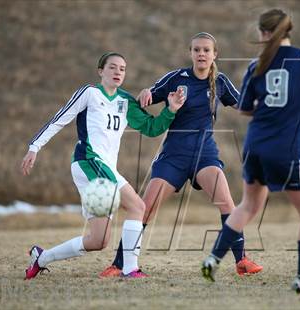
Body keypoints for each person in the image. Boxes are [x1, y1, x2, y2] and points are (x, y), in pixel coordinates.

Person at [99, 32, 263, 278]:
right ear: (191, 53)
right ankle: (119, 263)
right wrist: (145, 93)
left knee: (227, 203)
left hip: (205, 155)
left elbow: (244, 105)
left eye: (206, 50)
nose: (201, 54)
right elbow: (150, 96)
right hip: (173, 156)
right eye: (197, 50)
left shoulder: (220, 82)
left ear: (214, 54)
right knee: (145, 209)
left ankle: (242, 261)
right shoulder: (176, 78)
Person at [22, 52, 185, 280]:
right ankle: (130, 270)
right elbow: (60, 118)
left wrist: (171, 109)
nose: (118, 72)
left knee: (98, 240)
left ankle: (41, 258)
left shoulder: (126, 101)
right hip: (88, 161)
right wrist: (34, 146)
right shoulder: (89, 93)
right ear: (101, 71)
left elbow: (152, 128)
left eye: (122, 68)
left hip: (103, 169)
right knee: (138, 207)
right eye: (112, 67)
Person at [201, 9, 300, 292]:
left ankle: (212, 259)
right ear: (288, 31)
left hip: (255, 146)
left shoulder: (256, 64)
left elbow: (245, 108)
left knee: (248, 206)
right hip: (286, 149)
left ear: (263, 33)